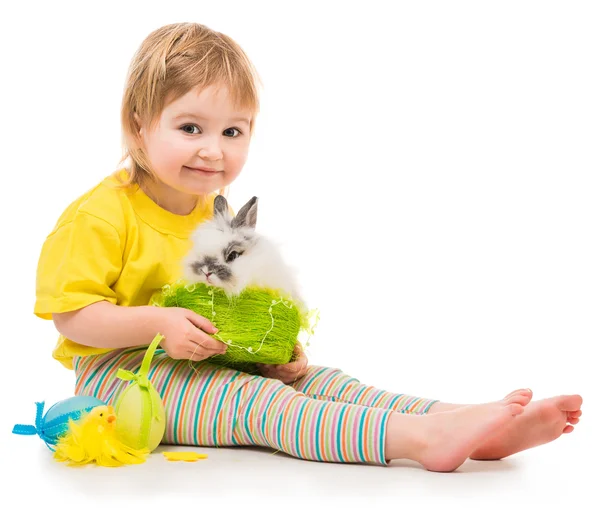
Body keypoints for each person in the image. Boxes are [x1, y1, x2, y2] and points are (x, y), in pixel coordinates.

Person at [34, 22, 582, 472]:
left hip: (203, 362)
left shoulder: (213, 211)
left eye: (232, 132)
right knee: (262, 405)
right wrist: (160, 324)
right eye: (190, 127)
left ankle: (462, 421)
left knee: (323, 382)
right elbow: (73, 317)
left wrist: (267, 351)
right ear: (138, 124)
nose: (212, 152)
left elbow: (229, 306)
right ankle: (417, 440)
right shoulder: (102, 215)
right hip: (123, 375)